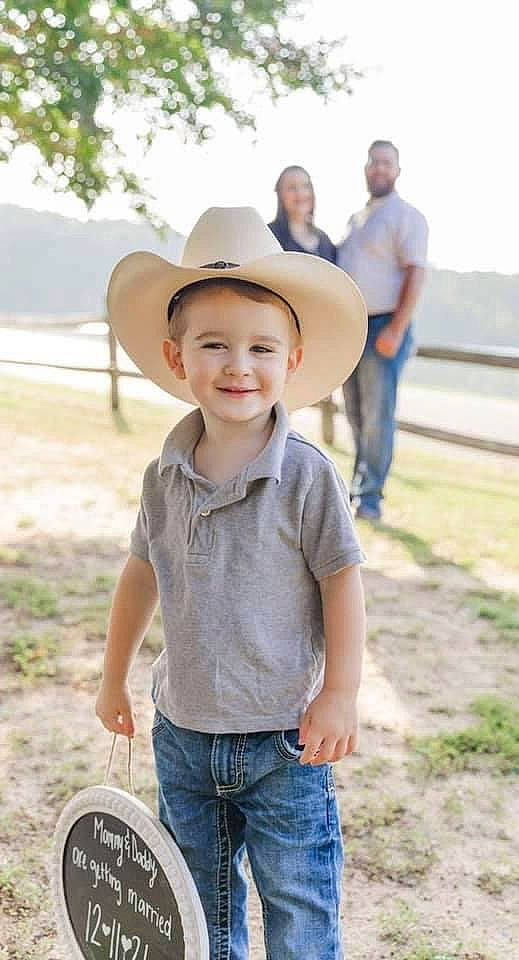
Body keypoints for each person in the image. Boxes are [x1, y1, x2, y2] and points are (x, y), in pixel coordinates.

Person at [95, 206, 368, 960]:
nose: (237, 366)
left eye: (259, 348)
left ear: (293, 359)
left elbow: (343, 581)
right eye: (214, 345)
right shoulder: (164, 475)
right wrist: (114, 678)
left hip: (285, 737)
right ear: (177, 357)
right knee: (193, 905)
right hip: (182, 732)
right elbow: (141, 572)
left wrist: (339, 691)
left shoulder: (307, 475)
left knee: (299, 904)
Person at [338, 140, 429, 522]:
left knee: (378, 413)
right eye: (374, 162)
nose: (379, 169)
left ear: (397, 170)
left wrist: (396, 327)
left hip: (384, 325)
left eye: (386, 163)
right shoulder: (357, 218)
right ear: (365, 168)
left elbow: (415, 273)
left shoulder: (407, 216)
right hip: (352, 327)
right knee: (357, 413)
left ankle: (371, 497)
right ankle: (358, 487)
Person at [268, 165, 336, 261]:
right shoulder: (269, 237)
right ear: (280, 194)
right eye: (291, 187)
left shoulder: (324, 241)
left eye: (305, 186)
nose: (300, 193)